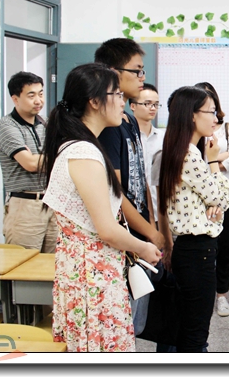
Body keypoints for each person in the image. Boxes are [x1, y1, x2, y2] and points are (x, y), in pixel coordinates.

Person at [42, 63, 160, 352]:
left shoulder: (82, 146)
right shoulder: (83, 152)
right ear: (94, 101)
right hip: (92, 275)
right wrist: (144, 247)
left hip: (89, 269)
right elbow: (106, 229)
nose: (123, 102)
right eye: (117, 94)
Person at [95, 38, 163, 336]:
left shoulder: (129, 121)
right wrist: (150, 233)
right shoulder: (108, 127)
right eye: (136, 70)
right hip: (124, 236)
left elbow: (141, 179)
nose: (141, 77)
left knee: (137, 321)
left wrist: (152, 225)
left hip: (140, 231)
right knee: (124, 323)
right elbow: (116, 193)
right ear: (113, 72)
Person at [157, 86, 229, 352]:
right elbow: (222, 195)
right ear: (192, 115)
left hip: (191, 250)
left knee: (189, 324)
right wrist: (213, 163)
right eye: (211, 111)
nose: (216, 118)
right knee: (195, 330)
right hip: (196, 251)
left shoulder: (179, 150)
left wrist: (215, 204)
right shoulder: (190, 155)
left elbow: (216, 201)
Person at [194, 82, 229, 318]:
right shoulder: (192, 130)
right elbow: (195, 161)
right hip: (199, 198)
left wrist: (213, 160)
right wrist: (217, 158)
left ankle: (221, 295)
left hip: (226, 195)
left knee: (224, 245)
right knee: (202, 246)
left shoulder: (227, 128)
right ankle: (200, 293)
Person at [0, 71, 57, 252]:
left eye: (41, 94)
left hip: (52, 203)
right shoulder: (7, 125)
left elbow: (61, 155)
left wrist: (42, 159)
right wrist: (54, 157)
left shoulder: (46, 123)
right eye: (31, 95)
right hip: (25, 205)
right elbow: (29, 164)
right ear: (15, 99)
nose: (38, 100)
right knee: (23, 263)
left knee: (53, 263)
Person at [129, 83, 163, 203]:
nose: (153, 108)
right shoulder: (128, 137)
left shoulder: (163, 138)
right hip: (134, 204)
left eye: (156, 104)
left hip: (159, 204)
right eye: (147, 104)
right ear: (133, 106)